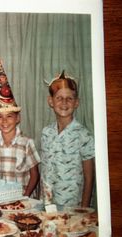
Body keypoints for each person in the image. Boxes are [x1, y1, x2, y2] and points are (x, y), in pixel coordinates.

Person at [0, 58, 40, 198]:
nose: (5, 121)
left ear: (18, 118)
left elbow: (35, 175)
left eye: (10, 116)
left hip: (22, 199)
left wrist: (25, 196)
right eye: (0, 117)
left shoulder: (27, 143)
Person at [41, 71, 95, 208]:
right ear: (50, 101)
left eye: (69, 98)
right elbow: (45, 169)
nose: (64, 102)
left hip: (71, 207)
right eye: (59, 98)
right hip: (47, 204)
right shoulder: (46, 133)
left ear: (76, 103)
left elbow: (89, 177)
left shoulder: (84, 135)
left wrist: (84, 208)